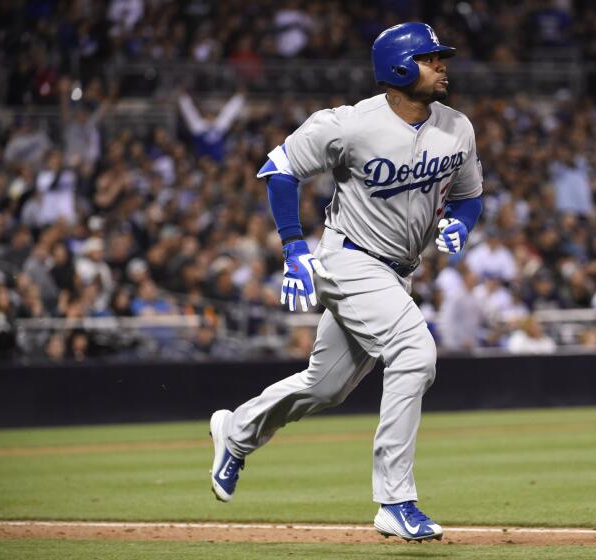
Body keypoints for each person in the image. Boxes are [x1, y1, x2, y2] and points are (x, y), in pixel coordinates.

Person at [208, 23, 483, 543]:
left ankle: (236, 433)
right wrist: (294, 248)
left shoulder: (457, 128)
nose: (443, 65)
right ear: (400, 67)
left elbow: (469, 194)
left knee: (325, 386)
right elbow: (280, 168)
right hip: (349, 260)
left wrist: (462, 224)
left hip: (395, 273)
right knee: (414, 351)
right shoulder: (350, 125)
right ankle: (395, 500)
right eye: (431, 58)